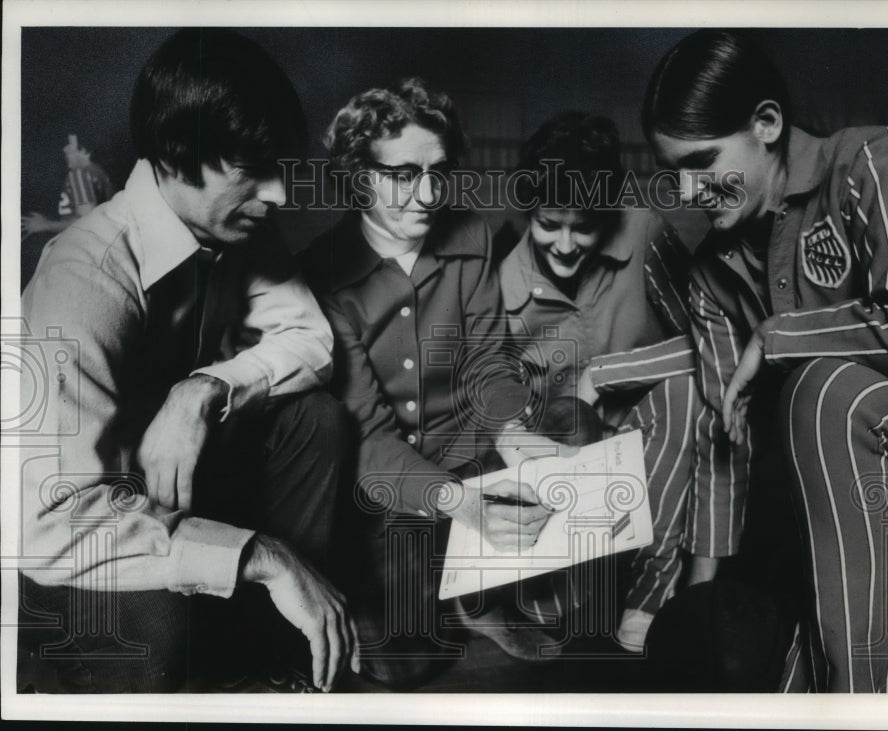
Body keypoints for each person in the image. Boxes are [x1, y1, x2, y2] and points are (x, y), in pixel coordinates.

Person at [17, 28, 357, 694]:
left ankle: (274, 660)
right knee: (156, 623)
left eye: (279, 167)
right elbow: (49, 528)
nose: (280, 195)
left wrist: (202, 389)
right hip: (69, 538)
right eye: (252, 169)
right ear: (175, 156)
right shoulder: (83, 274)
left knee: (317, 420)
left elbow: (314, 342)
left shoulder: (237, 223)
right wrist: (261, 555)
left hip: (167, 492)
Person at [642, 30, 888, 692]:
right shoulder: (712, 272)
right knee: (752, 659)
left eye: (703, 160)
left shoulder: (874, 162)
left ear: (767, 123)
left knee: (826, 393)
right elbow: (723, 447)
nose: (687, 188)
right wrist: (697, 606)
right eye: (671, 169)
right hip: (872, 516)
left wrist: (780, 335)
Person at [300, 78, 576, 687]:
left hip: (469, 448)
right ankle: (438, 593)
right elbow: (366, 436)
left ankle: (482, 595)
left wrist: (514, 435)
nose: (427, 195)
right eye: (402, 175)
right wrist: (460, 505)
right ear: (357, 176)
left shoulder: (472, 237)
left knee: (555, 489)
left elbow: (487, 363)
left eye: (438, 171)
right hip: (383, 479)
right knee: (409, 666)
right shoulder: (321, 275)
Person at [497, 111, 718, 651]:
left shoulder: (646, 233)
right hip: (562, 469)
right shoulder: (502, 281)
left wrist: (605, 374)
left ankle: (649, 593)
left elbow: (713, 345)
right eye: (549, 224)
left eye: (585, 225)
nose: (567, 245)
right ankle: (562, 591)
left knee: (687, 391)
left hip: (655, 455)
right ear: (527, 210)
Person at [21, 134, 117, 286]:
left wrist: (45, 224)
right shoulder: (99, 173)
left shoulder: (79, 174)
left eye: (71, 146)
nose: (65, 149)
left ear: (85, 151)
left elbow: (86, 222)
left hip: (79, 251)